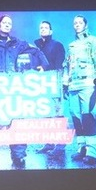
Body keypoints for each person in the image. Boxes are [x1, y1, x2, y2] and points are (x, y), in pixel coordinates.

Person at [0, 15, 49, 169]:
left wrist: (44, 65)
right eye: (4, 23)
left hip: (14, 93)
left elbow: (37, 51)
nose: (7, 25)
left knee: (18, 124)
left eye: (9, 23)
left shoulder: (18, 44)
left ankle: (18, 156)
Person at [63, 14, 96, 165]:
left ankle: (92, 152)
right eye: (75, 23)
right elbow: (66, 66)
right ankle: (81, 148)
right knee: (76, 118)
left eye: (80, 22)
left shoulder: (93, 41)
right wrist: (65, 83)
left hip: (88, 84)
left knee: (88, 118)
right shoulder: (71, 46)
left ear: (85, 25)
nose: (77, 24)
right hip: (73, 85)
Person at [35, 20, 66, 155]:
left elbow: (59, 66)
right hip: (41, 85)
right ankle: (48, 143)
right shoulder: (36, 46)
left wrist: (45, 68)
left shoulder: (57, 45)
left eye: (46, 27)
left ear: (51, 31)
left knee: (57, 113)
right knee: (45, 115)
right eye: (41, 27)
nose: (43, 29)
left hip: (54, 83)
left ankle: (60, 144)